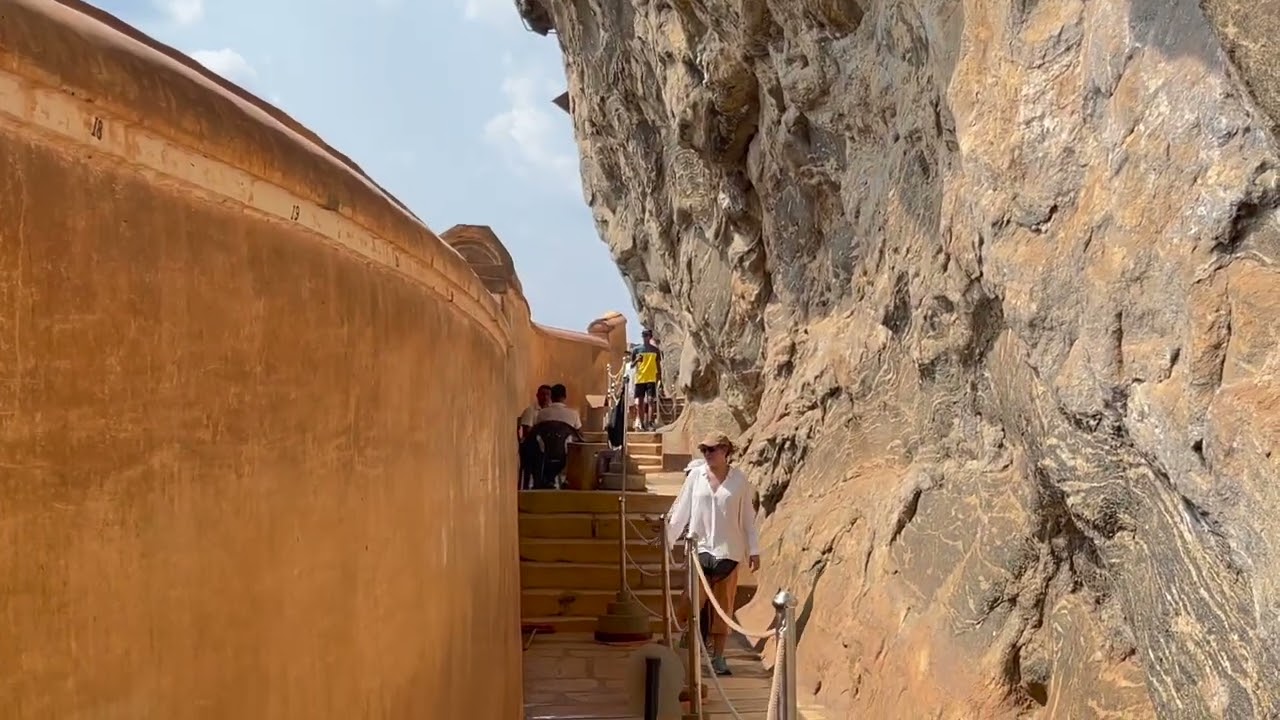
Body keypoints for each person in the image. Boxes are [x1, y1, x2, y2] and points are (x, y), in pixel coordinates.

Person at [665, 431, 760, 676]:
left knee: (723, 606)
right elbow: (682, 511)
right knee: (692, 599)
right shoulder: (696, 477)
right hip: (700, 548)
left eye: (712, 449)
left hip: (729, 551)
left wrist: (754, 549)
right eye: (704, 450)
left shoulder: (740, 480)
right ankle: (689, 640)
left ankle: (718, 656)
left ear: (726, 451)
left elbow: (748, 518)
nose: (707, 454)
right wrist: (667, 539)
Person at [631, 329, 662, 430]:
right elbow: (631, 365)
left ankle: (649, 422)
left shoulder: (655, 350)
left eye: (646, 335)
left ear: (650, 337)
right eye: (643, 335)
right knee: (640, 402)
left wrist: (659, 378)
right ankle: (642, 424)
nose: (644, 337)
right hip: (640, 379)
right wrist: (636, 360)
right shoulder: (636, 350)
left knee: (650, 400)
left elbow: (658, 365)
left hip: (651, 378)